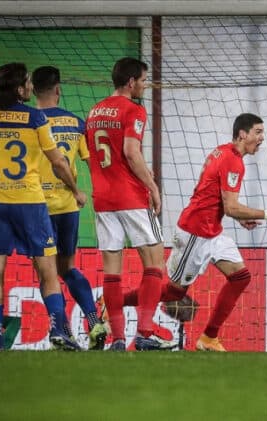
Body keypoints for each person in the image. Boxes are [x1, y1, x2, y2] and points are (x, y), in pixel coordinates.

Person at [0, 62, 86, 350]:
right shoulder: (34, 118)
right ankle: (59, 328)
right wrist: (75, 189)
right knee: (47, 270)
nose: (32, 86)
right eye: (28, 83)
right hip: (31, 205)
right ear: (20, 89)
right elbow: (58, 162)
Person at [164, 113, 267, 352]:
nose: (262, 138)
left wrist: (241, 218)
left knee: (241, 277)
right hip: (195, 231)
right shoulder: (234, 161)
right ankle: (113, 302)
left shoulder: (224, 151)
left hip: (213, 231)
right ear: (243, 134)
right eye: (258, 132)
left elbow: (220, 200)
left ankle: (209, 338)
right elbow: (230, 207)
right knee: (173, 292)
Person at [85, 57, 174, 351]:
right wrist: (152, 186)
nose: (145, 85)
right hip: (131, 197)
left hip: (103, 199)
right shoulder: (134, 110)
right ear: (131, 82)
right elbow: (131, 152)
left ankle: (118, 340)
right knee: (155, 264)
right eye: (144, 80)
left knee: (112, 271)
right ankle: (145, 335)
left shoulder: (94, 112)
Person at [32, 66, 107, 350]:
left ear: (32, 90)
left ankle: (60, 330)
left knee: (47, 274)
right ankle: (93, 320)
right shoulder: (76, 123)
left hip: (37, 208)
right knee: (68, 267)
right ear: (58, 89)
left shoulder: (30, 122)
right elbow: (92, 164)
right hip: (68, 207)